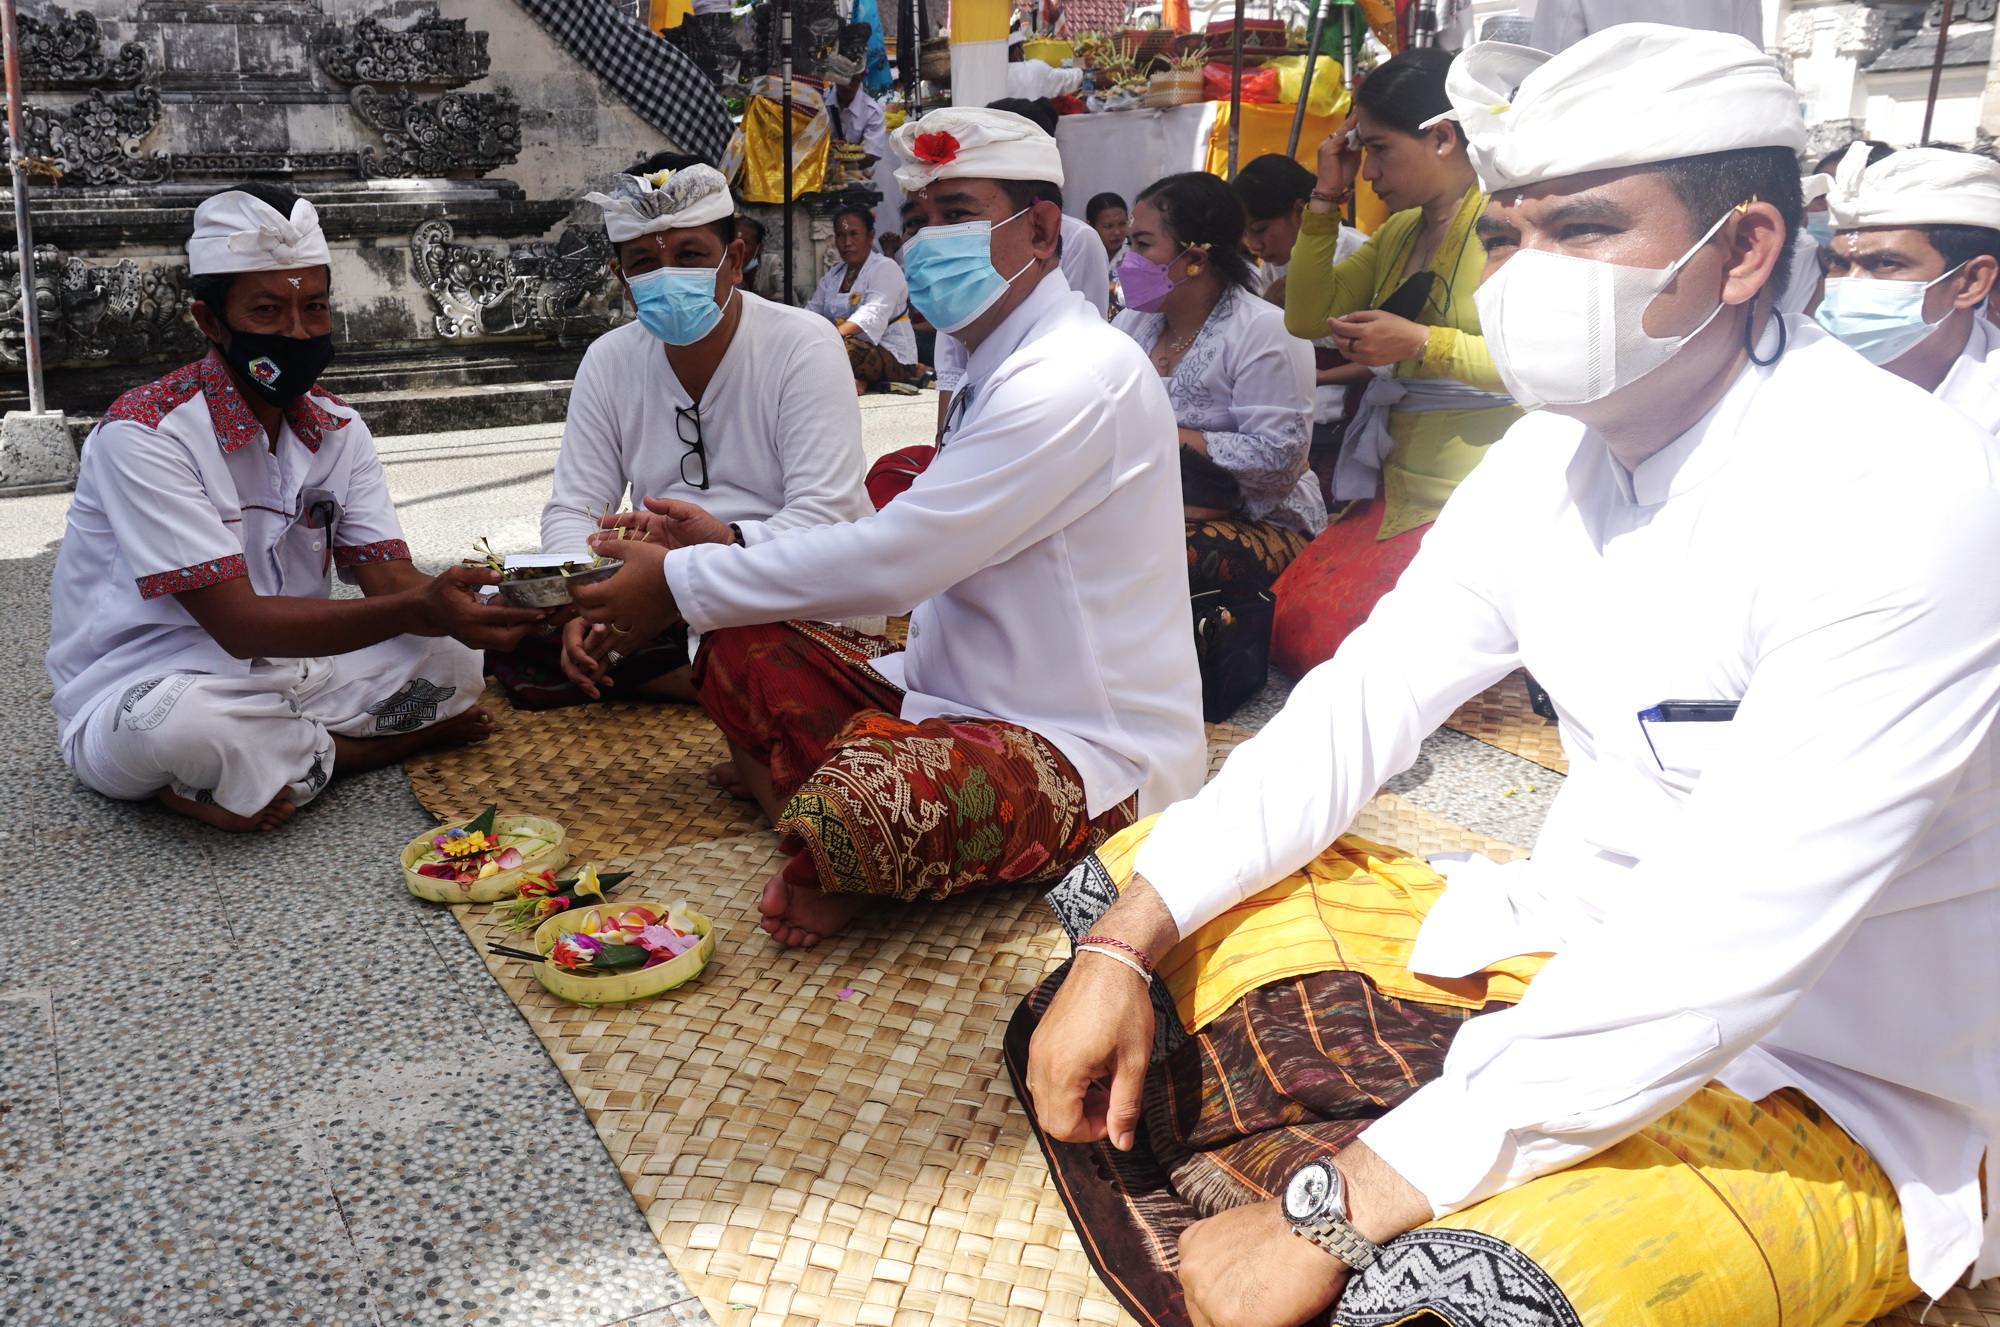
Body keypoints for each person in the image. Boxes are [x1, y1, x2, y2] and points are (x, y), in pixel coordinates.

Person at [1017, 24, 2000, 1327]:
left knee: (1485, 1299)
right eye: (1508, 234)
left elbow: (1728, 938)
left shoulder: (1909, 496)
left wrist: (1335, 1201)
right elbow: (1356, 709)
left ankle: (1384, 1178)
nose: (1528, 276)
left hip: (1828, 1073)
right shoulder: (1547, 458)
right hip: (1559, 958)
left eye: (1582, 228)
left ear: (1744, 250)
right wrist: (1120, 947)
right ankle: (1421, 1146)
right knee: (1140, 895)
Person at [568, 107, 1206, 950]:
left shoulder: (1073, 375)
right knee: (738, 643)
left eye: (957, 215)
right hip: (936, 696)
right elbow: (900, 545)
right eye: (920, 220)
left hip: (1087, 752)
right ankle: (842, 836)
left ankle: (839, 836)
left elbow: (902, 559)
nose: (929, 242)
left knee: (876, 799)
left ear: (1043, 231)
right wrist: (727, 551)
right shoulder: (996, 359)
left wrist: (679, 581)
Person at [46, 183, 546, 832]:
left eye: (314, 307)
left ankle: (272, 762)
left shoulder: (340, 428)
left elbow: (391, 581)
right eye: (268, 310)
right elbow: (240, 626)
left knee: (453, 655)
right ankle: (358, 750)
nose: (298, 332)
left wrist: (492, 606)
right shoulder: (146, 435)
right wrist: (421, 609)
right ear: (210, 321)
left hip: (292, 665)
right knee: (188, 728)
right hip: (152, 680)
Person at [503, 158, 872, 710]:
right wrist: (591, 598)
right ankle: (692, 671)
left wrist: (680, 581)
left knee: (763, 646)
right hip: (651, 583)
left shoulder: (804, 343)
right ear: (623, 281)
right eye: (644, 263)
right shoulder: (608, 359)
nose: (668, 275)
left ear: (735, 260)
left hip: (773, 582)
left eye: (690, 256)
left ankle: (686, 668)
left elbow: (824, 515)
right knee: (501, 620)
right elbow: (574, 508)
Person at [1276, 47, 1519, 677]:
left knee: (1344, 646)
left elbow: (1540, 363)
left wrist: (1419, 344)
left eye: (1379, 149)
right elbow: (1307, 318)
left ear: (1442, 137)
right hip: (1397, 484)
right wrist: (1325, 193)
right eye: (1363, 151)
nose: (1369, 172)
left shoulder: (1509, 222)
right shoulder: (1399, 232)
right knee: (1293, 622)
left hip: (1484, 490)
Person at [1112, 172, 1321, 594]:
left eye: (1143, 244)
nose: (1126, 261)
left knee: (1130, 553)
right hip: (1154, 503)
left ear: (1195, 258)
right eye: (1128, 244)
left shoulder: (1264, 331)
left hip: (1259, 519)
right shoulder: (1133, 324)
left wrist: (1155, 436)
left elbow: (1278, 457)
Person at [933, 98, 1112, 433]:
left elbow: (1088, 322)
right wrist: (944, 440)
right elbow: (952, 361)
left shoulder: (1079, 240)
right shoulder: (954, 242)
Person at [1817, 144, 2000, 432]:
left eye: (1886, 264)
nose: (1850, 284)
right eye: (1839, 263)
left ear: (1971, 283)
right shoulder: (1793, 374)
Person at [1231, 153, 1369, 502]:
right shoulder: (1273, 265)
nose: (1254, 245)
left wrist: (1317, 378)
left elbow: (1386, 360)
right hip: (1297, 412)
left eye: (1260, 230)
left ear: (1298, 211)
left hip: (1353, 415)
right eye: (1246, 234)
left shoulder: (1357, 253)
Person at [806, 204, 925, 394]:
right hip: (842, 343)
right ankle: (858, 380)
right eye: (840, 235)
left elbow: (872, 314)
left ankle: (855, 378)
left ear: (870, 236)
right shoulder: (834, 275)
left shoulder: (885, 267)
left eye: (854, 234)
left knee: (843, 349)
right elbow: (812, 312)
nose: (847, 242)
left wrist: (830, 336)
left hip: (893, 356)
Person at [823, 53, 888, 172]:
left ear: (862, 77)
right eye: (843, 80)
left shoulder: (872, 112)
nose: (848, 86)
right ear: (835, 77)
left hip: (853, 174)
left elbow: (871, 155)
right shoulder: (819, 101)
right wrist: (824, 146)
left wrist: (851, 154)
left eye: (854, 80)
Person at [734, 214, 772, 298]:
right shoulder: (725, 269)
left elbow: (787, 297)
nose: (739, 249)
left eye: (746, 243)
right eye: (734, 242)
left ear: (759, 248)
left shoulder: (770, 263)